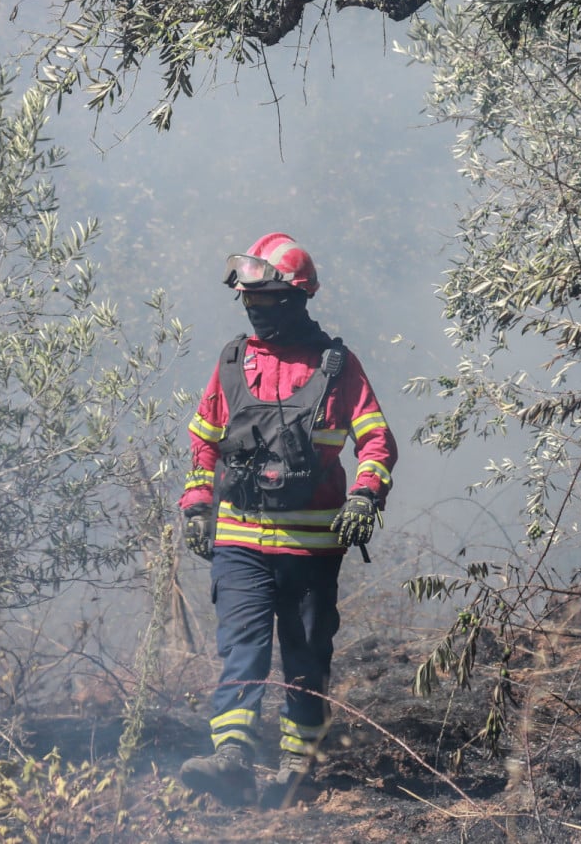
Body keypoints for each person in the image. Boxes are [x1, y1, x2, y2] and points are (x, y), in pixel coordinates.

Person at [175, 232, 396, 806]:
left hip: (312, 545)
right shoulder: (231, 361)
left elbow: (375, 440)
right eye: (249, 301)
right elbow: (203, 444)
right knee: (241, 648)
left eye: (267, 300)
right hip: (239, 542)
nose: (256, 310)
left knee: (304, 656)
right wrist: (198, 506)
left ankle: (298, 765)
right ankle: (231, 758)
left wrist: (365, 496)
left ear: (297, 300)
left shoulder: (337, 367)